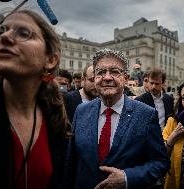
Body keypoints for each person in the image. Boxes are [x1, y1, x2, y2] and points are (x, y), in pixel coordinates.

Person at [0, 10, 70, 188]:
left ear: (50, 59)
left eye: (24, 33)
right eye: (0, 31)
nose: (5, 37)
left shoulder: (54, 117)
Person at [63, 48, 170, 189]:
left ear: (125, 78)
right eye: (100, 72)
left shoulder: (146, 114)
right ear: (94, 78)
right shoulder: (81, 111)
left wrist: (127, 178)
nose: (107, 77)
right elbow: (72, 161)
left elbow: (160, 162)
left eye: (114, 72)